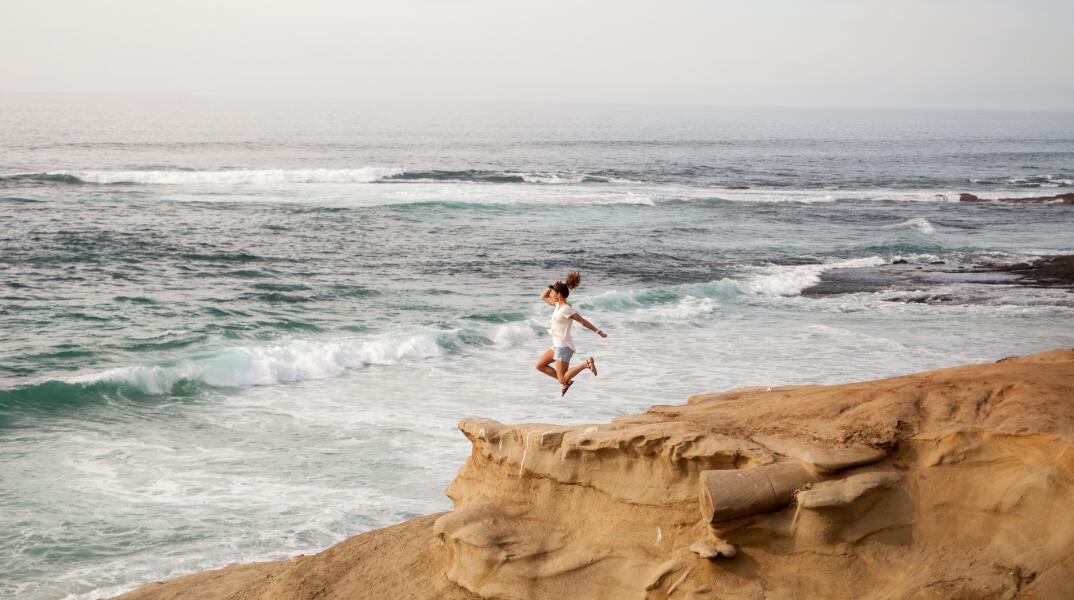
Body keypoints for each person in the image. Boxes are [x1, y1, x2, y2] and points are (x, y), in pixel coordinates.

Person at [535, 271, 607, 395]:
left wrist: (598, 331)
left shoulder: (566, 309)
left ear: (559, 294)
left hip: (563, 347)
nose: (550, 294)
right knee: (540, 366)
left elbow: (583, 321)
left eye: (553, 292)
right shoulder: (557, 304)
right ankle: (567, 381)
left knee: (562, 379)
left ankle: (586, 364)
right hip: (556, 345)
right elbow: (542, 297)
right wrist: (553, 285)